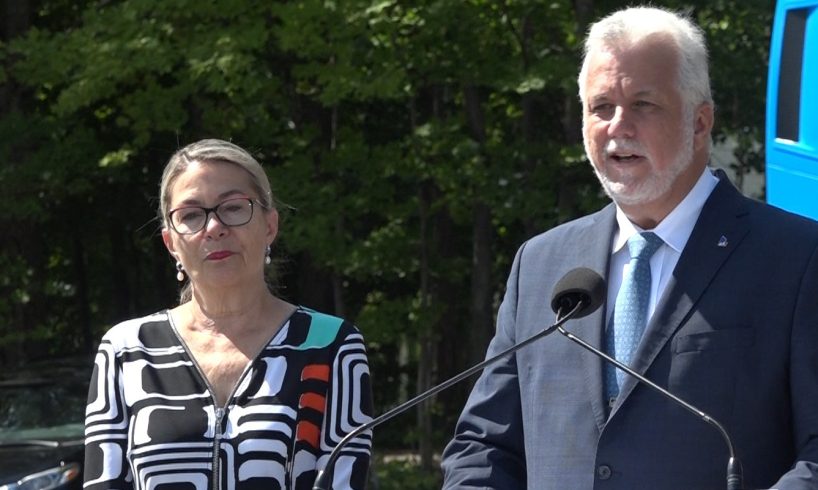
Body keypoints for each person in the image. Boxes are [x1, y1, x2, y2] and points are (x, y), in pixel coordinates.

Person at [441, 6, 818, 490]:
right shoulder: (540, 264)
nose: (618, 126)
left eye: (644, 104)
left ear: (700, 122)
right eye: (601, 107)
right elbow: (484, 446)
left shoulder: (796, 258)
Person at [83, 139, 373, 490]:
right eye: (190, 215)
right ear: (171, 242)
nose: (214, 227)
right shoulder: (126, 349)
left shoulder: (332, 344)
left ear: (270, 225)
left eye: (233, 208)